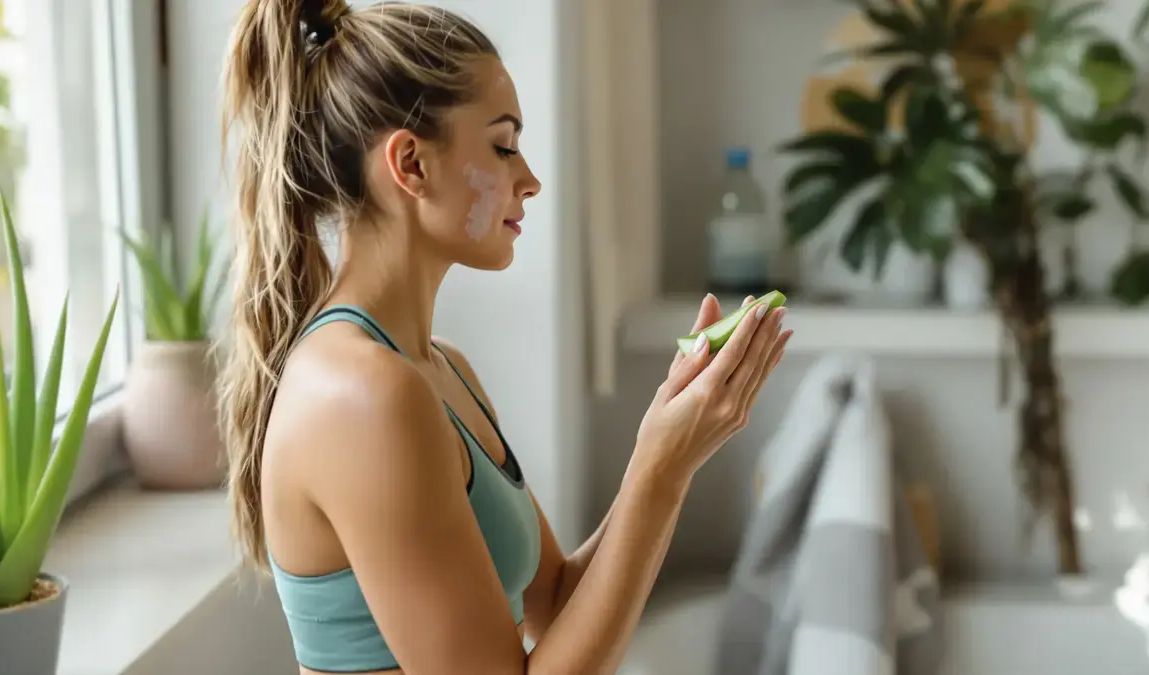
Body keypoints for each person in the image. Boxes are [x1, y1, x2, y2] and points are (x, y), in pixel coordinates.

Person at [217, 1, 794, 674]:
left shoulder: (441, 370)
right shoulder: (363, 395)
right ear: (411, 164)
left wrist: (669, 447)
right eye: (503, 145)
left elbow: (556, 600)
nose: (530, 180)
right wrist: (660, 471)